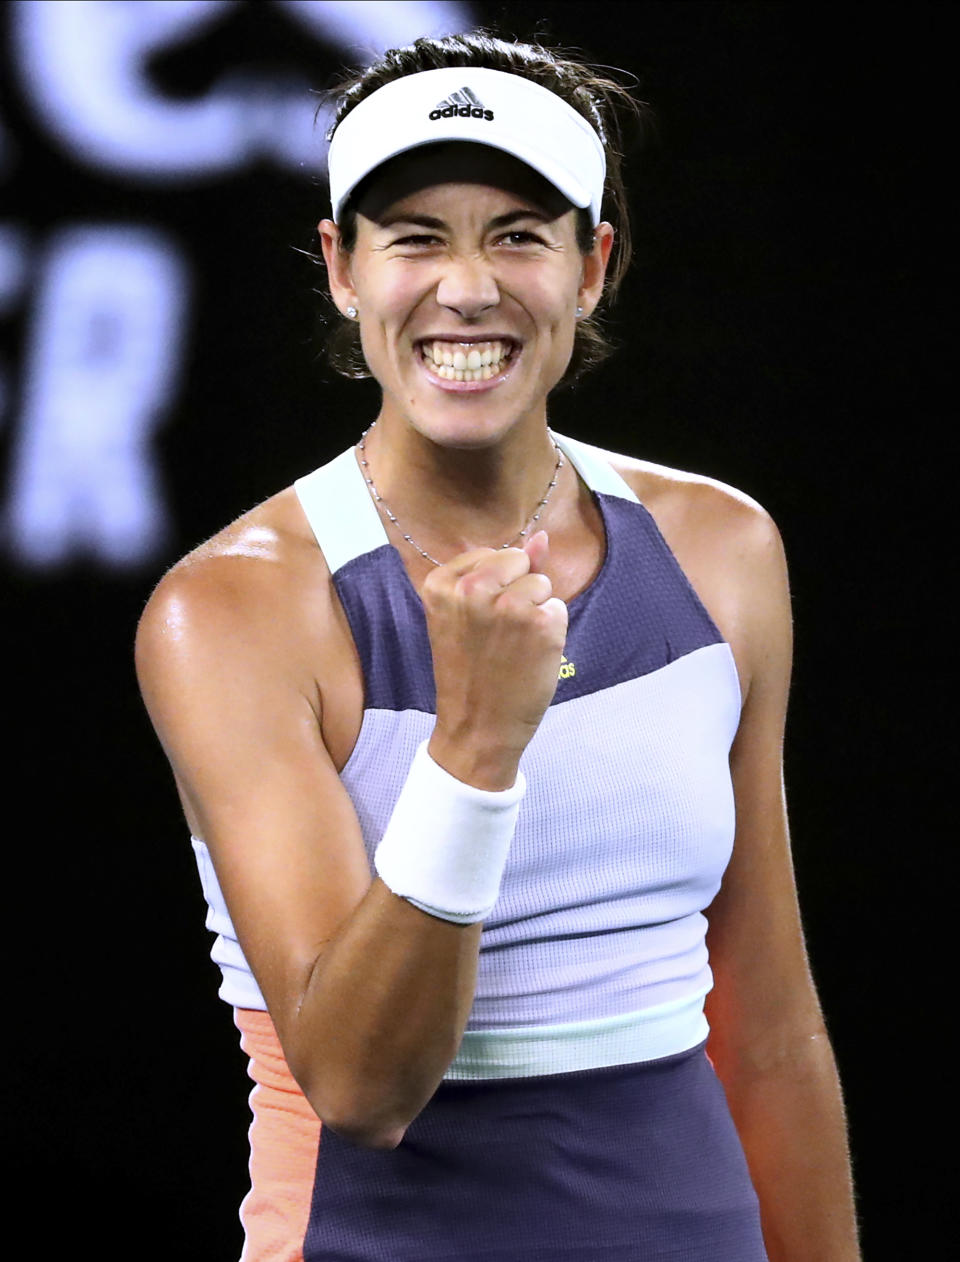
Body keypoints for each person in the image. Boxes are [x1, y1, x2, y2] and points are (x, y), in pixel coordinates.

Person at [135, 31, 861, 1262]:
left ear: (593, 267)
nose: (466, 285)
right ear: (342, 269)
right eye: (415, 234)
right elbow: (364, 1088)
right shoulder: (232, 612)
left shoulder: (723, 547)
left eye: (520, 233)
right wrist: (474, 746)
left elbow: (772, 1025)